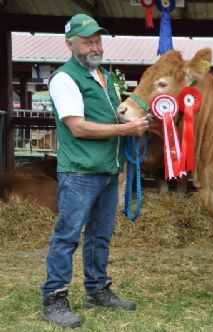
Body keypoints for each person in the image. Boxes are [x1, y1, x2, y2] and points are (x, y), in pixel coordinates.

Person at [40, 13, 149, 328]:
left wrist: (132, 122)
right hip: (80, 172)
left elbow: (111, 117)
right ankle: (54, 298)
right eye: (87, 41)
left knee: (100, 236)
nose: (94, 46)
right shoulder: (65, 78)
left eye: (97, 40)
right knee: (67, 236)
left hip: (107, 169)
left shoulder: (102, 76)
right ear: (69, 43)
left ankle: (97, 290)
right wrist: (126, 132)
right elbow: (78, 128)